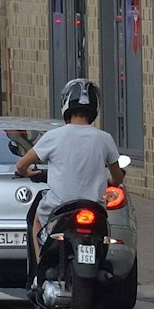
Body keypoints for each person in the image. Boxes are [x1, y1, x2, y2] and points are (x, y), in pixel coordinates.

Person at [13, 78, 124, 265]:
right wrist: (111, 181)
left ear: (65, 104)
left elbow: (21, 165)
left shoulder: (54, 137)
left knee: (37, 221)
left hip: (59, 208)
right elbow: (117, 176)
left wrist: (27, 173)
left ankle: (39, 270)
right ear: (94, 108)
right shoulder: (104, 138)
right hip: (94, 207)